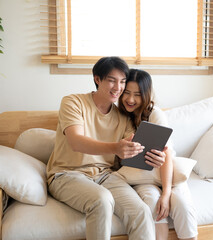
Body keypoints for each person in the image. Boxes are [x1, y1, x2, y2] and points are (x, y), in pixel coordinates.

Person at [46, 57, 165, 240]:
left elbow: (133, 150)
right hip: (66, 175)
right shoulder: (73, 102)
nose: (118, 87)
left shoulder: (122, 117)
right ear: (97, 79)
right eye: (111, 80)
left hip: (105, 175)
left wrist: (156, 158)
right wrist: (115, 148)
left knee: (141, 211)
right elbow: (76, 142)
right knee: (101, 199)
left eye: (122, 81)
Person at [118, 69, 198, 240]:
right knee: (154, 205)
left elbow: (166, 155)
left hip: (167, 175)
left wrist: (166, 193)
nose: (130, 100)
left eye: (137, 94)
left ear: (146, 95)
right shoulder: (118, 117)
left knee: (183, 206)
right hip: (141, 178)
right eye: (127, 93)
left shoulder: (155, 114)